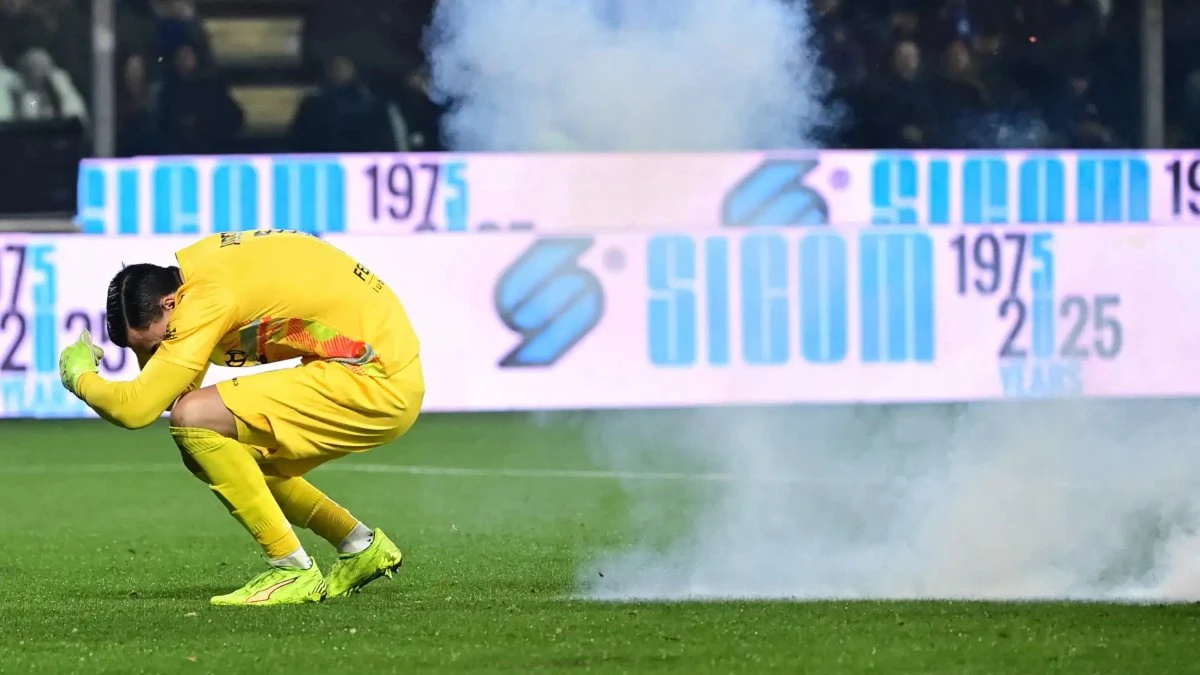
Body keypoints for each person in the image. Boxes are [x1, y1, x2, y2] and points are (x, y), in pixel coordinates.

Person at [57, 229, 425, 606]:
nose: (151, 359)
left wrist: (79, 377)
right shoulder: (200, 281)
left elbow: (136, 410)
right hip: (372, 368)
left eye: (156, 344)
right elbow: (171, 395)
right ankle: (359, 544)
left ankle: (292, 568)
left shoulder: (207, 297)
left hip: (374, 377)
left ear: (169, 304)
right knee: (216, 449)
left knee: (194, 421)